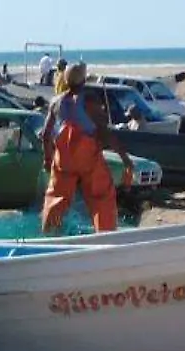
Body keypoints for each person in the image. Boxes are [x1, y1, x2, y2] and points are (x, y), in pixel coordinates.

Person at [42, 64, 129, 234]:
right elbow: (105, 133)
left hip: (64, 159)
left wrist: (47, 159)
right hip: (87, 157)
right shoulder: (89, 100)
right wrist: (125, 158)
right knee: (102, 196)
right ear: (83, 80)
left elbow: (46, 135)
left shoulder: (56, 102)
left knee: (55, 198)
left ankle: (49, 234)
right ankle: (105, 235)